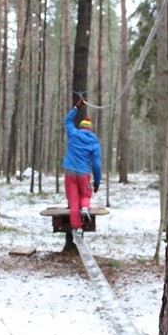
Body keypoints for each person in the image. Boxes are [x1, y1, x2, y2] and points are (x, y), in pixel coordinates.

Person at [62, 97, 102, 236]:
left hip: (70, 172)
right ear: (90, 130)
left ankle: (77, 228)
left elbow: (67, 121)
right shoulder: (94, 143)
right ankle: (85, 208)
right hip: (84, 173)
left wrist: (76, 107)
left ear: (80, 127)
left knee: (73, 200)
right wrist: (97, 182)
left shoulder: (73, 134)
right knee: (85, 194)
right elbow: (96, 165)